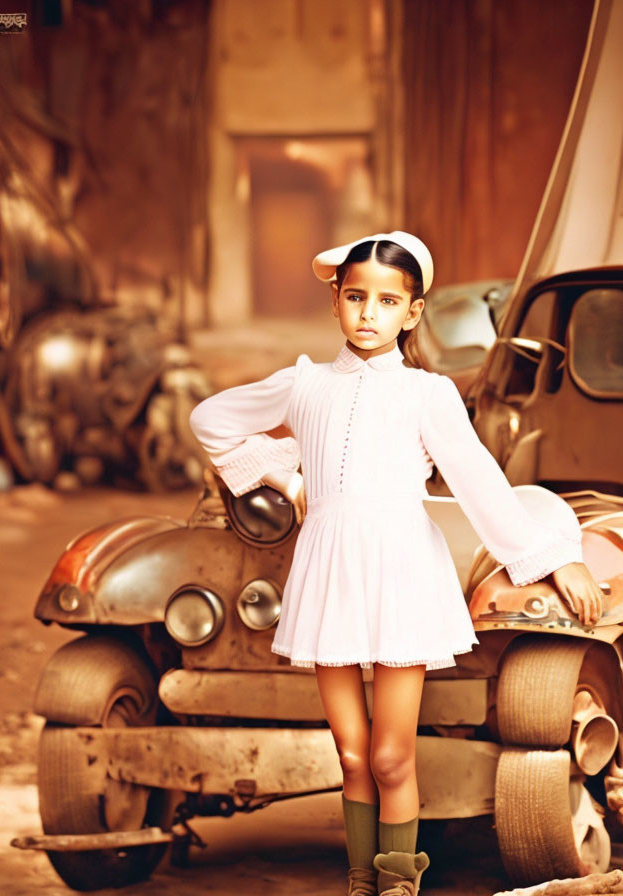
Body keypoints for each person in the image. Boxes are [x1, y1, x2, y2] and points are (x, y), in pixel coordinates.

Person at [189, 231, 604, 896]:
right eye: (355, 297)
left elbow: (478, 481)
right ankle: (361, 882)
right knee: (351, 754)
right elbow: (211, 418)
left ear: (412, 312)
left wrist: (554, 558)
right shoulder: (304, 385)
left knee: (389, 754)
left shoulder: (426, 393)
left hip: (404, 574)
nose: (368, 313)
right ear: (335, 302)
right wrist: (282, 470)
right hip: (329, 573)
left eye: (386, 301)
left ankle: (398, 883)